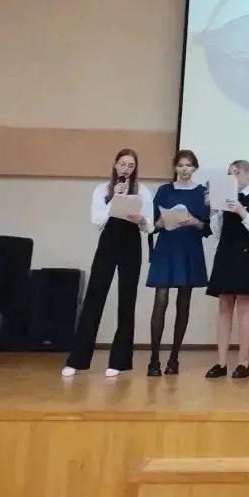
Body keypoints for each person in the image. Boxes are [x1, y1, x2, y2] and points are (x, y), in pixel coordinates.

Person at [62, 149, 154, 378]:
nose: (126, 169)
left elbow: (150, 226)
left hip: (132, 243)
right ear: (115, 165)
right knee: (95, 295)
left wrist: (141, 220)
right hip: (109, 241)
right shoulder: (102, 190)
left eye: (131, 166)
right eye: (122, 164)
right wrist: (115, 198)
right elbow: (97, 221)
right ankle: (77, 360)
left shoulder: (142, 191)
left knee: (127, 299)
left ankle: (119, 361)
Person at [145, 149, 211, 377]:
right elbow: (152, 222)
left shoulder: (202, 192)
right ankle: (154, 359)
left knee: (183, 303)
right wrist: (159, 223)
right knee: (161, 300)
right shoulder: (165, 190)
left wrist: (194, 222)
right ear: (175, 167)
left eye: (188, 165)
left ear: (195, 168)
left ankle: (174, 358)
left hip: (189, 249)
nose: (184, 169)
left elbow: (207, 227)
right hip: (166, 247)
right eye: (181, 165)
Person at [205, 160, 249, 380]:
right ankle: (221, 362)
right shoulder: (226, 197)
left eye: (237, 172)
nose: (233, 176)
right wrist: (214, 210)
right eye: (230, 173)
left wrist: (242, 211)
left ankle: (243, 362)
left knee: (243, 307)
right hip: (225, 254)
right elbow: (217, 232)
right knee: (224, 307)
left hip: (245, 255)